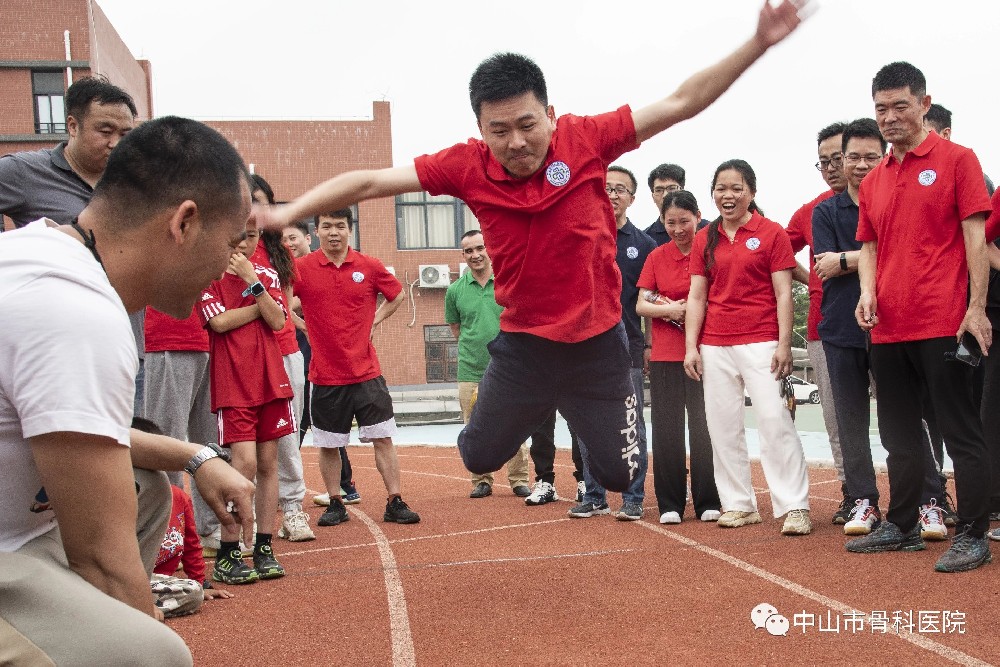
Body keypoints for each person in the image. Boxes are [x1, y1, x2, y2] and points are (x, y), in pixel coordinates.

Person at [258, 0, 811, 493]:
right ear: (479, 128)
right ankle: (538, 399)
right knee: (479, 456)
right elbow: (371, 183)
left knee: (621, 475)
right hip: (524, 346)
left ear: (550, 113)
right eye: (499, 131)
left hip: (597, 346)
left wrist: (757, 43)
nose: (516, 143)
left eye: (527, 124)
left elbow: (683, 101)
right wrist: (287, 212)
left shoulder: (586, 139)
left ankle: (574, 403)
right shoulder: (467, 165)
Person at [0, 115, 257, 666]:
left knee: (146, 485)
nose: (228, 267)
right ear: (185, 222)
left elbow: (81, 433)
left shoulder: (46, 253)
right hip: (11, 550)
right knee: (153, 655)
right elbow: (100, 557)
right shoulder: (75, 312)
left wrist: (197, 456)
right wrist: (135, 627)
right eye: (231, 243)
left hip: (19, 533)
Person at [846, 62, 993, 573]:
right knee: (898, 434)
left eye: (900, 106)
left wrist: (976, 308)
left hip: (944, 321)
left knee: (960, 432)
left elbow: (976, 237)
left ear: (924, 104)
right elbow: (868, 245)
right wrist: (867, 292)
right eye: (881, 108)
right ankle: (902, 524)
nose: (889, 117)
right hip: (888, 327)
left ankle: (974, 533)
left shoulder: (958, 160)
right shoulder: (875, 179)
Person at [0, 75, 148, 414]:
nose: (115, 143)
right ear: (72, 125)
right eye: (105, 131)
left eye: (125, 135)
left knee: (131, 452)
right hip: (56, 347)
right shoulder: (25, 172)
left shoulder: (138, 185)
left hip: (128, 345)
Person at [683, 159, 812, 536]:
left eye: (737, 187)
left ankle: (795, 507)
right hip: (715, 345)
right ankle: (739, 504)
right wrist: (692, 347)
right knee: (722, 427)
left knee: (774, 420)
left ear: (752, 193)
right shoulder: (705, 237)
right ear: (713, 194)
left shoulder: (771, 233)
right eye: (721, 188)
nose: (728, 195)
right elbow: (696, 296)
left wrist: (784, 344)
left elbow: (784, 291)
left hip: (762, 340)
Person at [293, 209, 420, 527]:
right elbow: (278, 303)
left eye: (339, 226)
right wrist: (303, 326)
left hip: (367, 373)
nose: (333, 232)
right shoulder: (302, 268)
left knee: (384, 439)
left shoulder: (369, 265)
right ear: (317, 232)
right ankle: (336, 502)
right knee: (328, 444)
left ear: (349, 230)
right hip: (325, 375)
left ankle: (395, 500)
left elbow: (397, 295)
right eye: (326, 226)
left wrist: (374, 321)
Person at [199, 211, 295, 583]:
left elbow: (278, 321)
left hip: (271, 380)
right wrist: (260, 306)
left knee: (270, 464)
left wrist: (253, 282)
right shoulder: (208, 276)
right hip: (234, 383)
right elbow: (218, 323)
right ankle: (228, 550)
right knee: (244, 465)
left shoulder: (266, 275)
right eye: (238, 235)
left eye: (252, 236)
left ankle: (264, 546)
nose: (245, 243)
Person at [568, 165, 655, 521]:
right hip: (584, 347)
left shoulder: (645, 245)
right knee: (587, 424)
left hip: (628, 348)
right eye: (607, 188)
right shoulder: (580, 237)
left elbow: (650, 300)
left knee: (630, 424)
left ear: (632, 199)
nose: (613, 194)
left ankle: (633, 498)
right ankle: (594, 495)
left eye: (621, 189)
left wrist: (647, 345)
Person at [637, 190, 721, 524]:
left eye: (684, 221)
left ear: (698, 217)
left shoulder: (711, 252)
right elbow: (642, 303)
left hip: (706, 351)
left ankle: (708, 500)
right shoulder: (656, 256)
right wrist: (672, 309)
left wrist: (695, 310)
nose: (678, 229)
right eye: (670, 222)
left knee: (705, 427)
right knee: (667, 429)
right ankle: (670, 503)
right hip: (665, 356)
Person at [785, 122, 849, 522]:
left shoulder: (883, 198)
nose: (830, 167)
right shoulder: (810, 210)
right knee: (838, 417)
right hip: (825, 329)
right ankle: (853, 492)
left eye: (837, 159)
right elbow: (776, 252)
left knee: (910, 412)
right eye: (822, 161)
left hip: (888, 324)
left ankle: (929, 496)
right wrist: (808, 278)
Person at [249, 175, 315, 543]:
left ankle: (292, 507)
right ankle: (238, 514)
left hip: (284, 351)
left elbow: (286, 305)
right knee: (240, 440)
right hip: (240, 354)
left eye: (260, 203)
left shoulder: (279, 252)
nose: (254, 211)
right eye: (246, 202)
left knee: (287, 434)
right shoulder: (228, 247)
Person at [446, 229, 532, 499]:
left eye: (479, 248)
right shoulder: (454, 291)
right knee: (474, 427)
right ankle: (481, 480)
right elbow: (456, 329)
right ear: (463, 255)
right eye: (469, 251)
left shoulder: (509, 282)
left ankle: (519, 479)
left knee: (515, 424)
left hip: (509, 370)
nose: (475, 255)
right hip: (470, 371)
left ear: (490, 248)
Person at [281, 219, 361, 505]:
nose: (289, 244)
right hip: (293, 355)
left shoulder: (317, 270)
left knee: (324, 425)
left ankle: (344, 486)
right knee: (298, 425)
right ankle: (289, 489)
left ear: (308, 238)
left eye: (293, 238)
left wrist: (305, 324)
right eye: (284, 239)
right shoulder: (289, 275)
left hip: (321, 362)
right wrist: (303, 325)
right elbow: (283, 307)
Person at [643, 163, 709, 246]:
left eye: (671, 188)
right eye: (659, 190)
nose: (665, 195)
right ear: (653, 196)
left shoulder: (708, 229)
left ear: (682, 191)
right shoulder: (646, 239)